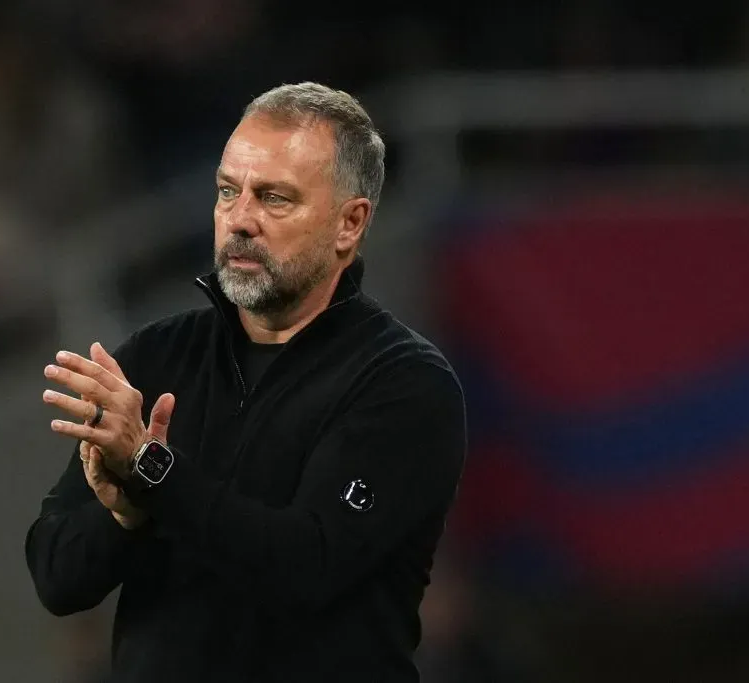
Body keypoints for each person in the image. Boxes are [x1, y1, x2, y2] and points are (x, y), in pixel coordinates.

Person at [26, 82, 467, 683]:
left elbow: (306, 564)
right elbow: (55, 575)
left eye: (274, 199)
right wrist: (124, 514)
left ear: (349, 223)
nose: (240, 221)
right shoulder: (155, 357)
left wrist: (154, 470)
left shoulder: (404, 384)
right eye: (227, 192)